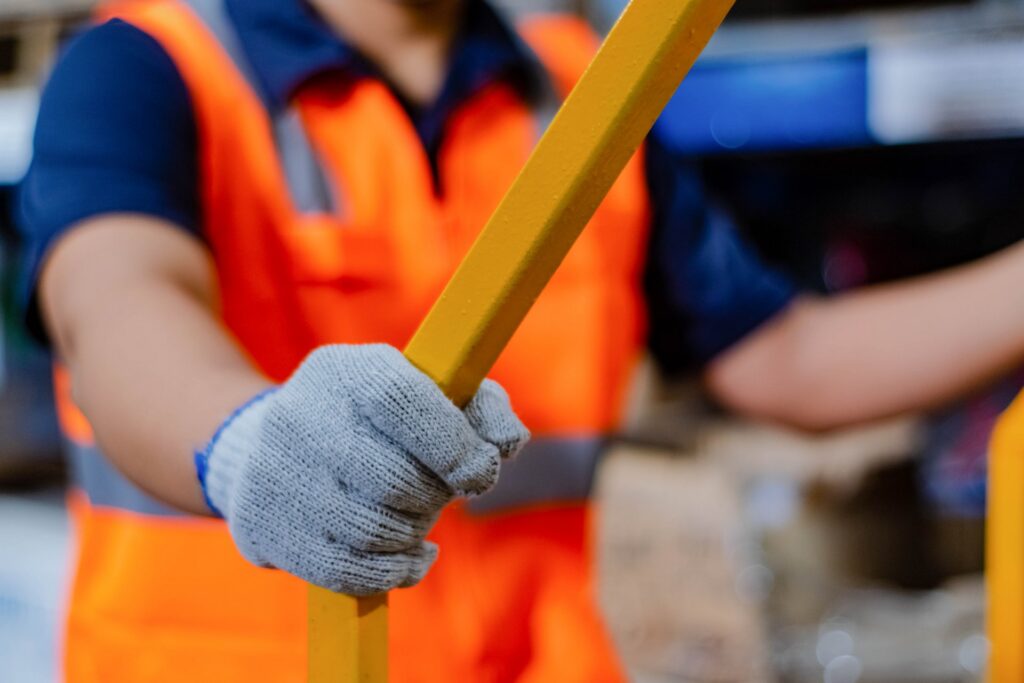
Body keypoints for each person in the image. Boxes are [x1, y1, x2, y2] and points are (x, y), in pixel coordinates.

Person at [18, 0, 1024, 680]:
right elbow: (113, 306)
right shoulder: (150, 66)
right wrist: (245, 441)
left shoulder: (575, 85)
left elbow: (786, 358)